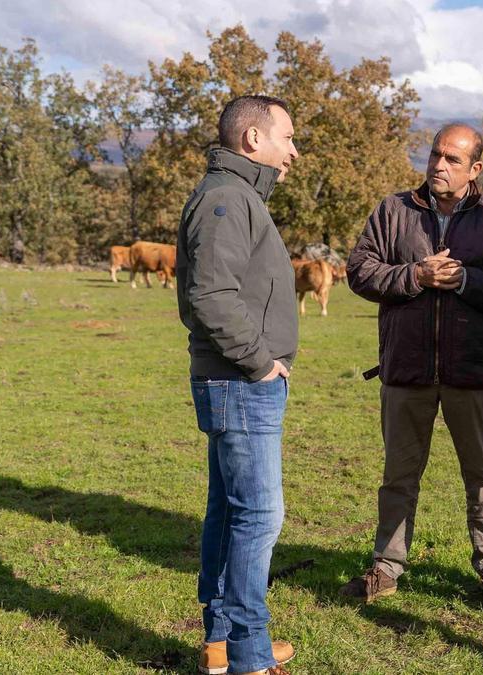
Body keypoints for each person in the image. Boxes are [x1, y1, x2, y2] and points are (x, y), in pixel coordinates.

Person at [342, 123, 483, 608]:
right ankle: (385, 567)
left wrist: (467, 281)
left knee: (482, 476)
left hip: (473, 373)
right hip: (405, 371)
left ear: (475, 169)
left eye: (452, 159)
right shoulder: (393, 211)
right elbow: (359, 271)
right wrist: (415, 275)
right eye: (435, 155)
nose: (438, 166)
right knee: (398, 475)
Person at [176, 95, 299, 675]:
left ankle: (222, 644)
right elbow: (212, 296)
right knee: (258, 516)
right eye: (287, 138)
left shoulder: (236, 194)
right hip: (240, 381)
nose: (293, 152)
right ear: (254, 141)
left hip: (237, 380)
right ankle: (250, 654)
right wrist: (260, 362)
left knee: (230, 511)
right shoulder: (227, 198)